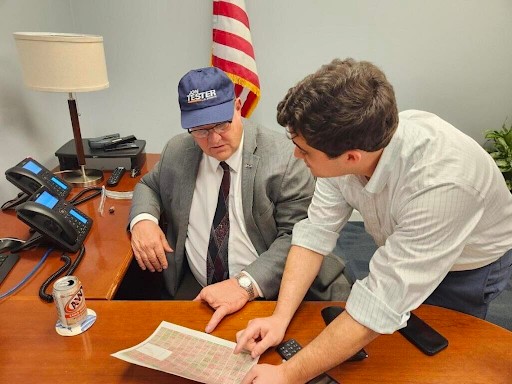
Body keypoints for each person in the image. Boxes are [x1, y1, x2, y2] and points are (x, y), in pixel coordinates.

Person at [234, 58, 512, 383]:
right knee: (382, 352)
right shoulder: (345, 142)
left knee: (438, 364)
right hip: (402, 239)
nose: (296, 156)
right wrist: (280, 318)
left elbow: (378, 305)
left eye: (304, 151)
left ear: (352, 157)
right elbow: (313, 235)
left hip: (467, 267)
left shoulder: (443, 183)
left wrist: (286, 375)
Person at [129, 66, 350, 333]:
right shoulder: (179, 150)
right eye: (200, 130)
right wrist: (143, 221)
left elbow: (298, 236)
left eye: (222, 124)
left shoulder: (285, 159)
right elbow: (147, 185)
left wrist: (244, 284)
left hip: (271, 290)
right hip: (198, 289)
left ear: (237, 106)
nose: (214, 138)